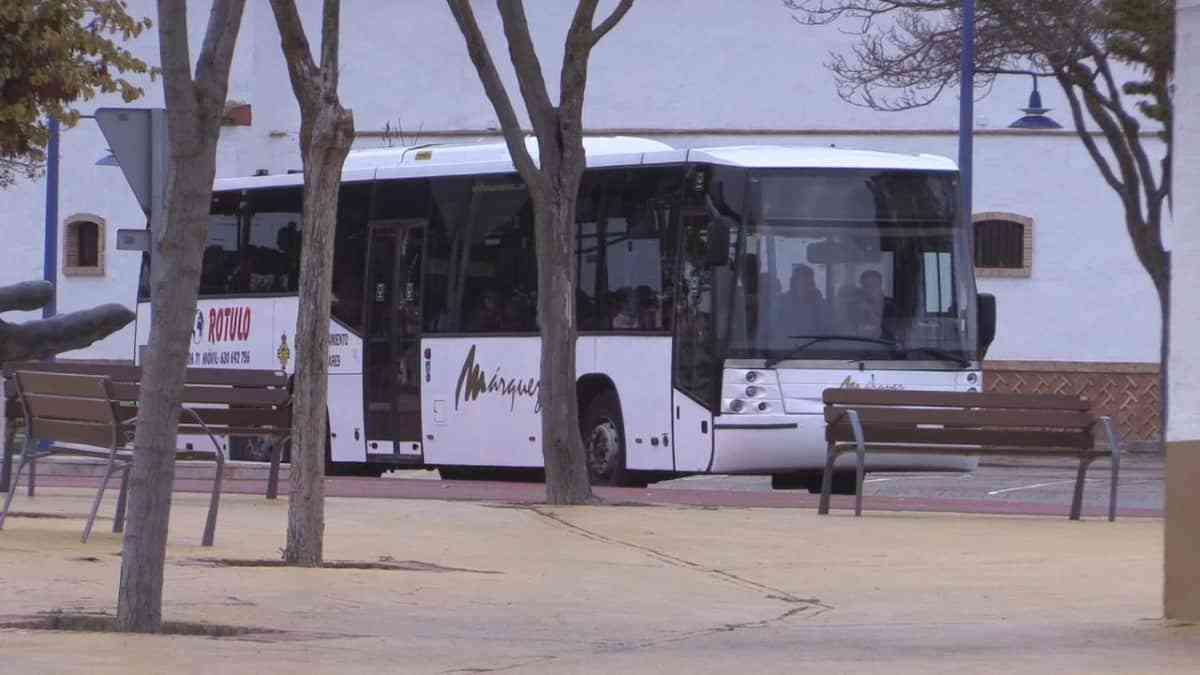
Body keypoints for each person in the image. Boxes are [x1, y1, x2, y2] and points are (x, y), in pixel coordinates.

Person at [781, 264, 828, 336]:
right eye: (803, 281)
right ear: (794, 282)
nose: (807, 286)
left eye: (809, 282)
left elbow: (827, 326)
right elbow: (778, 331)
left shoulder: (818, 301)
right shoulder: (783, 302)